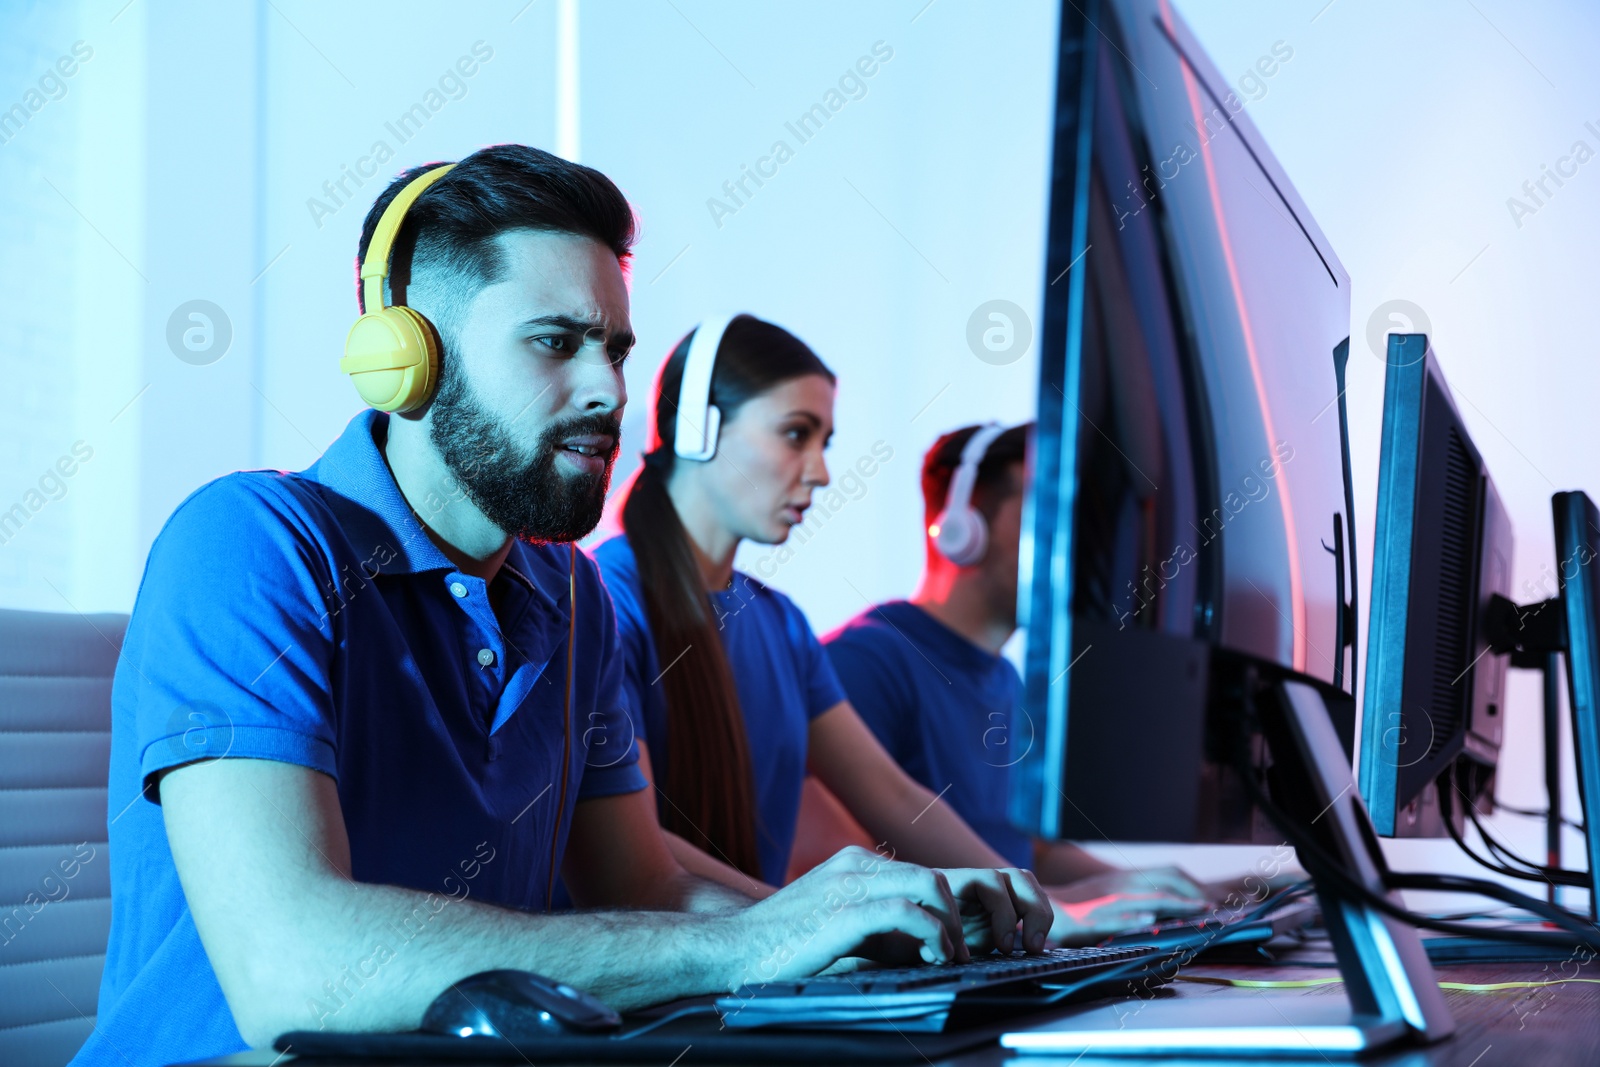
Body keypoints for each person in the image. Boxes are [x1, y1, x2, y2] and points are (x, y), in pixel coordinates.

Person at [75, 147, 1051, 1067]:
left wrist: (865, 923)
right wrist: (751, 943)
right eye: (556, 342)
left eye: (616, 350)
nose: (607, 389)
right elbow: (297, 970)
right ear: (405, 354)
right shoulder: (250, 544)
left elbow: (648, 886)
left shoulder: (571, 595)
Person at [591, 317, 1197, 940]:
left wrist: (1034, 908)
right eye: (796, 434)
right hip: (675, 978)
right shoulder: (605, 600)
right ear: (698, 429)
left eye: (824, 443)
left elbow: (894, 795)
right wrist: (800, 923)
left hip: (747, 969)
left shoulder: (781, 624)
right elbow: (636, 855)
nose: (822, 472)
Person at [819, 422, 1210, 929]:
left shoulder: (1009, 682)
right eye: (1046, 514)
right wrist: (1065, 907)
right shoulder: (864, 662)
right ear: (962, 527)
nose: (1074, 544)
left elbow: (1034, 854)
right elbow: (841, 873)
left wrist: (1151, 889)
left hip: (1007, 939)